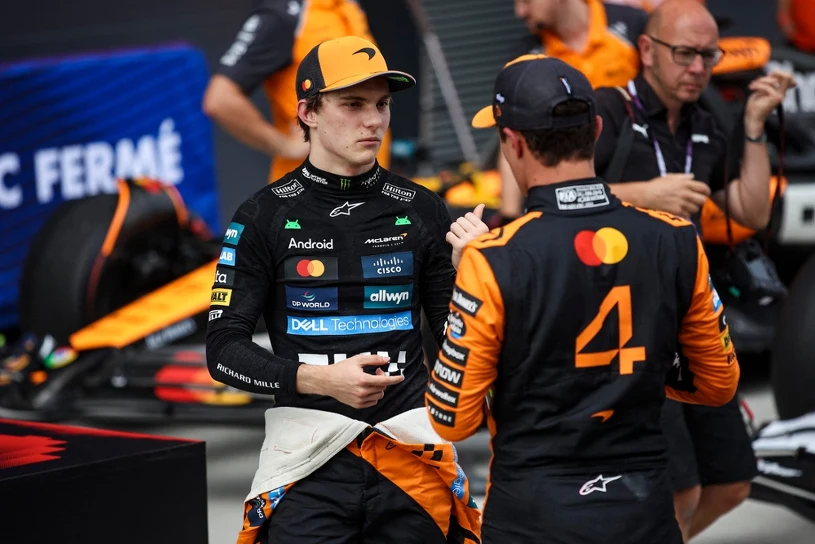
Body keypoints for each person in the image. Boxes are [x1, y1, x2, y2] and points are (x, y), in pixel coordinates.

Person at [425, 53, 740, 544]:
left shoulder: (492, 259)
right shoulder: (676, 237)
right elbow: (717, 384)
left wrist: (463, 289)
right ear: (595, 129)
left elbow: (452, 419)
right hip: (643, 509)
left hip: (533, 516)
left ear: (513, 143)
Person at [206, 36, 488, 543]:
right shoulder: (263, 215)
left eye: (382, 105)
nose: (373, 121)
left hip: (410, 453)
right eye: (353, 104)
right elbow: (223, 350)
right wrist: (320, 380)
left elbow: (460, 352)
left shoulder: (422, 208)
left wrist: (476, 281)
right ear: (308, 112)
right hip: (307, 460)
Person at [592, 0, 796, 540]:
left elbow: (752, 211)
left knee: (732, 481)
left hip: (694, 321)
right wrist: (643, 194)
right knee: (677, 490)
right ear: (646, 50)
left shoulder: (706, 124)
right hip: (622, 327)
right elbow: (549, 197)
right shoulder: (608, 110)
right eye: (685, 54)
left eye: (709, 56)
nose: (698, 68)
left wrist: (753, 125)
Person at [202, 0, 393, 184]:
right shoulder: (285, 15)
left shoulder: (349, 7)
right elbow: (220, 99)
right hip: (309, 190)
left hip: (368, 184)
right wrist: (284, 145)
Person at [493, 0, 647, 227]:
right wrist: (509, 216)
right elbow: (511, 134)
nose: (520, 12)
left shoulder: (632, 24)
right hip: (564, 195)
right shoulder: (527, 54)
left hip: (640, 169)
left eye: (526, 1)